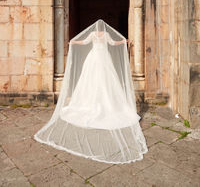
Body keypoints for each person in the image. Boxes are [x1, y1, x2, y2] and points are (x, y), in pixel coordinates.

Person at [34, 20, 147, 164]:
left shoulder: (94, 34)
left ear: (96, 27)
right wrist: (124, 41)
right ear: (103, 27)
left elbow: (83, 42)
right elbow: (113, 43)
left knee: (93, 79)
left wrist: (73, 43)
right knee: (104, 80)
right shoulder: (105, 34)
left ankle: (92, 101)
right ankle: (106, 102)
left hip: (94, 57)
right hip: (102, 57)